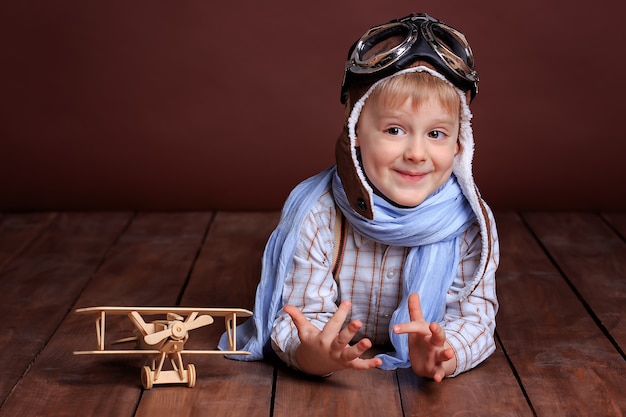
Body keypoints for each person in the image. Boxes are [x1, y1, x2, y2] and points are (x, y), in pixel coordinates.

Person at [219, 13, 499, 382]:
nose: (417, 153)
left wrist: (445, 355)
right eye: (394, 129)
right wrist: (312, 353)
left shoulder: (468, 223)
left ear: (460, 145)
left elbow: (473, 318)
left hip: (424, 352)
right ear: (355, 134)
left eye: (436, 134)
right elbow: (299, 313)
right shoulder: (318, 213)